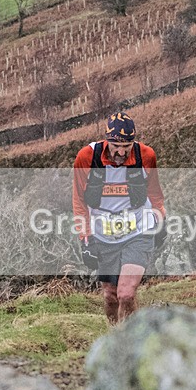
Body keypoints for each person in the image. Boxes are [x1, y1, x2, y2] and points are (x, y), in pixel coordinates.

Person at [72, 112, 165, 325]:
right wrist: (85, 239)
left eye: (127, 146)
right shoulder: (87, 158)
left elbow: (155, 195)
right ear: (107, 141)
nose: (121, 152)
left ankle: (130, 340)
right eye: (116, 146)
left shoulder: (146, 156)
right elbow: (79, 202)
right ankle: (114, 335)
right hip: (103, 235)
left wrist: (161, 220)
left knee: (126, 293)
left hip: (138, 231)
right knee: (111, 297)